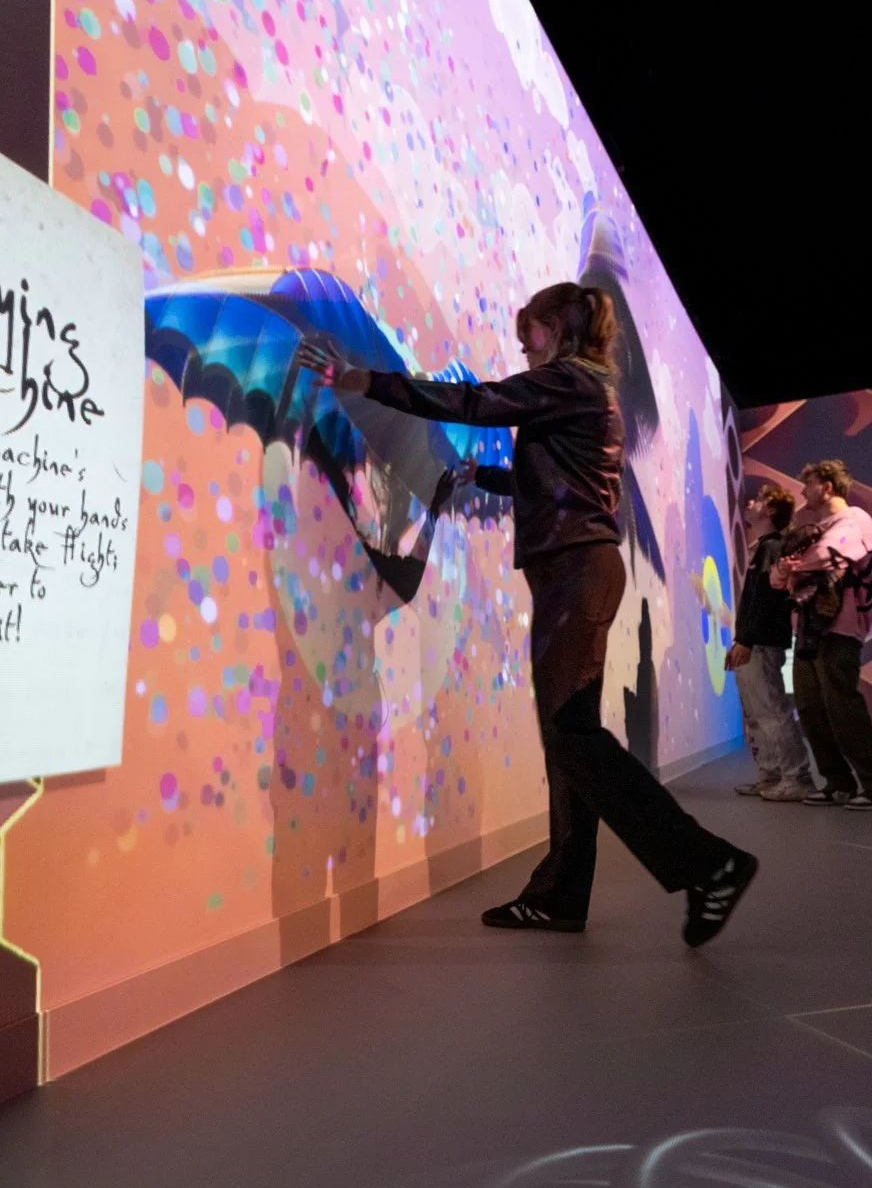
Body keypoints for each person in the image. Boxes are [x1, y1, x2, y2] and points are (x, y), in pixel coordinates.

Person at [296, 283, 758, 947]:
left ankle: (708, 862)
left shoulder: (569, 379)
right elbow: (559, 481)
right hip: (576, 571)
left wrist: (362, 379)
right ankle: (561, 895)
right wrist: (479, 480)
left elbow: (477, 400)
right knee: (567, 737)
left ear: (561, 329)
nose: (523, 343)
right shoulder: (585, 391)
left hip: (576, 573)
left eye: (532, 331)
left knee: (571, 735)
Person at [772, 459, 872, 810]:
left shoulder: (855, 519)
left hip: (840, 630)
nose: (801, 491)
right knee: (811, 708)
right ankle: (837, 782)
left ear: (827, 486)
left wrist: (791, 564)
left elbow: (829, 554)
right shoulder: (813, 527)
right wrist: (787, 567)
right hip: (808, 631)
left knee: (842, 705)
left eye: (807, 483)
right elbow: (777, 578)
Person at [727, 484, 814, 801]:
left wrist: (746, 640)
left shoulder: (772, 548)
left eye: (759, 500)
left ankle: (796, 777)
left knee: (772, 712)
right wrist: (741, 639)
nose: (750, 502)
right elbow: (754, 602)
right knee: (757, 714)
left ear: (771, 511)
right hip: (754, 641)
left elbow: (765, 600)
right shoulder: (763, 548)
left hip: (761, 643)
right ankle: (771, 774)